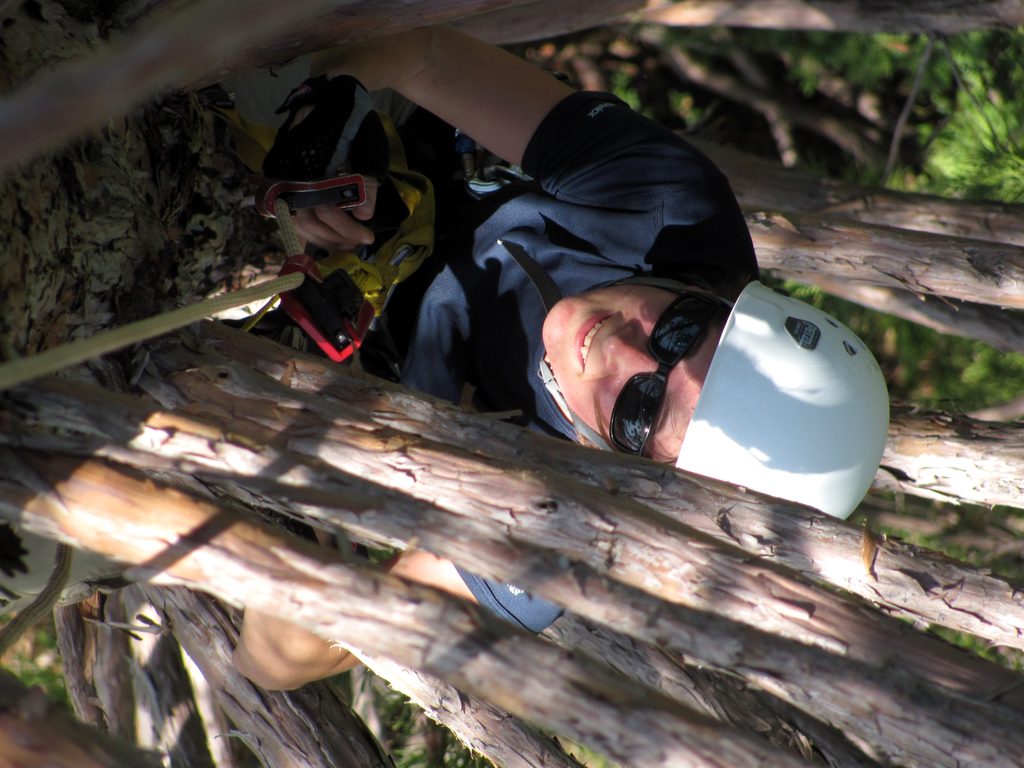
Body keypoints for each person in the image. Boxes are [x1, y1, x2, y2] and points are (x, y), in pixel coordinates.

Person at [232, 26, 890, 690]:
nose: (622, 351)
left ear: (641, 477)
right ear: (715, 295)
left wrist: (272, 501)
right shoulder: (674, 211)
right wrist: (336, 102)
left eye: (639, 412)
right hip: (408, 160)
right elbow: (423, 55)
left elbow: (286, 659)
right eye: (680, 331)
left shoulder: (562, 526)